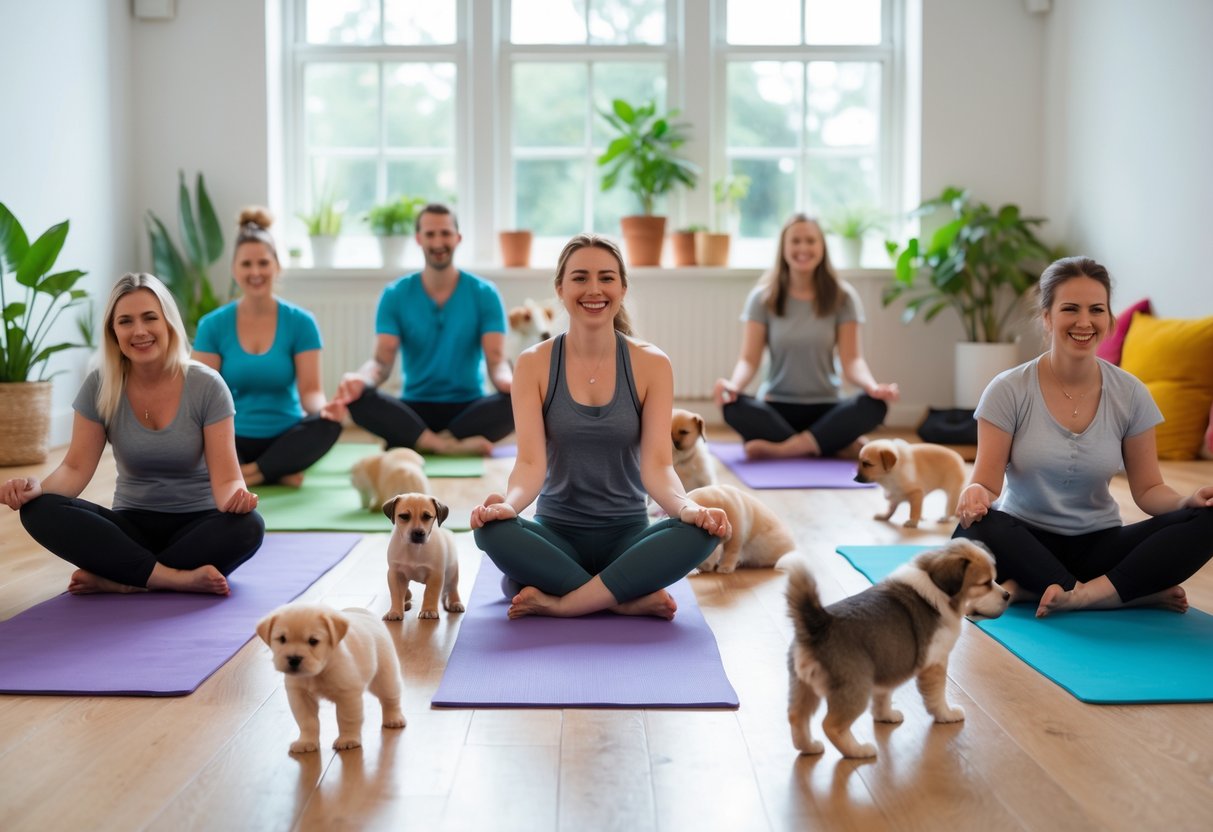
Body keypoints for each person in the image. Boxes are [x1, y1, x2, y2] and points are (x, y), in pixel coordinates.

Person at [469, 234, 731, 620]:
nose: (594, 289)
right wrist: (508, 507)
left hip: (628, 536)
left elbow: (659, 467)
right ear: (560, 288)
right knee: (489, 530)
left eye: (606, 278)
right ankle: (624, 598)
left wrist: (688, 508)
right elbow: (529, 465)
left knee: (705, 530)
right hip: (556, 534)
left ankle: (565, 601)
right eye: (580, 278)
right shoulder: (533, 364)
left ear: (623, 288)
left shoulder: (652, 363)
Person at [954, 256, 1213, 617]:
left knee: (1208, 518)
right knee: (975, 529)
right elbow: (986, 483)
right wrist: (974, 494)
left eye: (1096, 309)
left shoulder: (1131, 393)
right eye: (1070, 309)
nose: (1084, 321)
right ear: (1047, 317)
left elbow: (1149, 490)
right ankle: (1125, 594)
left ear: (1109, 319)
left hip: (1099, 545)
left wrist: (1188, 502)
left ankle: (1062, 592)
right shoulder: (1008, 389)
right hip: (1024, 539)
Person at [1, 273, 264, 595]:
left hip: (198, 524)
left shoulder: (206, 385)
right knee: (39, 510)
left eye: (150, 318)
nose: (139, 331)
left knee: (250, 526)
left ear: (168, 323)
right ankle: (169, 578)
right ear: (114, 332)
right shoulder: (100, 385)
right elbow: (75, 468)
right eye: (125, 321)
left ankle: (124, 577)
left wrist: (237, 499)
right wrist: (34, 490)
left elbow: (227, 479)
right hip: (131, 526)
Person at [332, 203, 513, 456]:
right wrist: (360, 380)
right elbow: (381, 362)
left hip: (469, 408)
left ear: (458, 238)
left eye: (445, 233)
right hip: (415, 408)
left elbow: (496, 361)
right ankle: (444, 445)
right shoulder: (395, 294)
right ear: (419, 239)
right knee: (359, 398)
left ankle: (416, 441)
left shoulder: (484, 293)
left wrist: (512, 384)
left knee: (520, 401)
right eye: (430, 234)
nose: (438, 241)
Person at [713, 213, 899, 459]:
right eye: (796, 241)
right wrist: (733, 386)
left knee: (874, 406)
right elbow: (749, 359)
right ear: (784, 248)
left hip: (827, 406)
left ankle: (785, 449)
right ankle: (829, 443)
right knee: (732, 408)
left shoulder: (843, 298)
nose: (803, 248)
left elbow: (852, 360)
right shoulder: (762, 298)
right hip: (776, 405)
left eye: (810, 241)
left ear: (822, 247)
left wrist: (872, 387)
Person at [192, 207, 342, 487]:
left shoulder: (301, 322)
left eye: (263, 263)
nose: (256, 272)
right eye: (247, 264)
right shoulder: (212, 325)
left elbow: (310, 391)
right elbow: (201, 395)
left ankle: (250, 474)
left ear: (277, 266)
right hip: (232, 437)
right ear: (234, 269)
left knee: (330, 426)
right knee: (198, 433)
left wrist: (325, 410)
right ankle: (275, 472)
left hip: (285, 435)